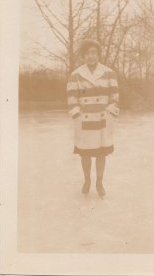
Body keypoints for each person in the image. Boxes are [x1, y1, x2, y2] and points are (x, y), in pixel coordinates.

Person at [67, 39, 119, 198]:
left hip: (103, 120)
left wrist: (110, 110)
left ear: (98, 55)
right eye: (88, 53)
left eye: (94, 53)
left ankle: (99, 182)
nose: (91, 56)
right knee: (86, 153)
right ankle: (87, 180)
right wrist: (77, 113)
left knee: (102, 153)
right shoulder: (76, 75)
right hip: (84, 120)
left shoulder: (109, 72)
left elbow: (115, 95)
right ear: (83, 55)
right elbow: (71, 97)